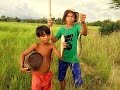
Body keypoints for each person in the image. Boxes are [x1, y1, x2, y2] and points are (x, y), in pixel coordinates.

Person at [48, 9, 87, 90]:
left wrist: (83, 23)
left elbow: (84, 33)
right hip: (62, 58)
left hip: (74, 59)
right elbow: (54, 40)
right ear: (65, 18)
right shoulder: (61, 30)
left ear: (75, 18)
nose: (70, 18)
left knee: (78, 80)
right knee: (61, 78)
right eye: (68, 16)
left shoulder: (77, 27)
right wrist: (49, 26)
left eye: (72, 16)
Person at [20, 25, 62, 90]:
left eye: (48, 35)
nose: (46, 37)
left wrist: (62, 47)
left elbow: (60, 57)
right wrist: (21, 67)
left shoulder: (51, 46)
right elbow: (23, 54)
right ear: (38, 37)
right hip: (37, 76)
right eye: (43, 36)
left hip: (47, 75)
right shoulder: (36, 46)